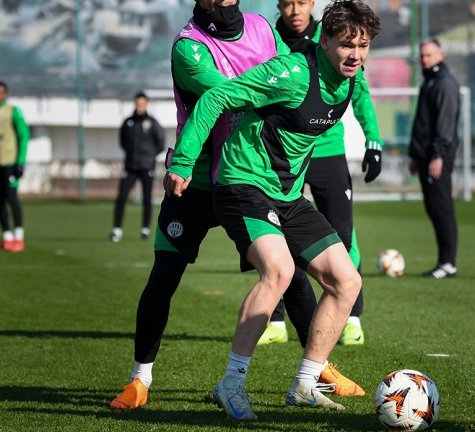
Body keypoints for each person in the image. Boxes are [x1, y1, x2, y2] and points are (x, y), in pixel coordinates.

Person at [109, 0, 362, 411]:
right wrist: (283, 81)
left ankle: (315, 371)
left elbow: (292, 75)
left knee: (294, 276)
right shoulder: (189, 47)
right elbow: (229, 94)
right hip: (199, 181)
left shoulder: (262, 27)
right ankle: (140, 378)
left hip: (256, 176)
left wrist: (303, 75)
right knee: (165, 277)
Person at [258, 0, 383, 348]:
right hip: (284, 154)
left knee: (342, 232)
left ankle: (352, 317)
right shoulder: (269, 40)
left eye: (301, 2)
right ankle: (277, 320)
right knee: (276, 238)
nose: (294, 10)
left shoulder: (339, 37)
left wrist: (373, 139)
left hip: (327, 151)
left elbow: (360, 91)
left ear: (312, 5)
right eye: (287, 3)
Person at [408, 38, 460, 279]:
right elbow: (422, 123)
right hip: (425, 157)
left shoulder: (444, 84)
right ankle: (444, 261)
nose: (424, 59)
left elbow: (444, 125)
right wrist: (416, 155)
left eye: (429, 55)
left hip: (437, 158)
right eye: (422, 55)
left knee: (442, 209)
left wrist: (438, 155)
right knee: (433, 209)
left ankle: (448, 263)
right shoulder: (429, 82)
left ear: (440, 55)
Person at [109, 92, 165, 243]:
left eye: (142, 104)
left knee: (147, 198)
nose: (140, 106)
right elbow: (123, 142)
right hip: (131, 166)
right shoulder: (128, 123)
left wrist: (149, 156)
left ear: (146, 104)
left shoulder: (153, 123)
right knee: (121, 197)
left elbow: (160, 144)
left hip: (147, 166)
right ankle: (116, 230)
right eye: (138, 103)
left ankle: (145, 230)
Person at [0, 81, 29, 253]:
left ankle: (19, 237)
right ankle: (7, 237)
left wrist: (21, 162)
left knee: (12, 198)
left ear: (5, 94)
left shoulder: (13, 112)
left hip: (10, 163)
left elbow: (23, 136)